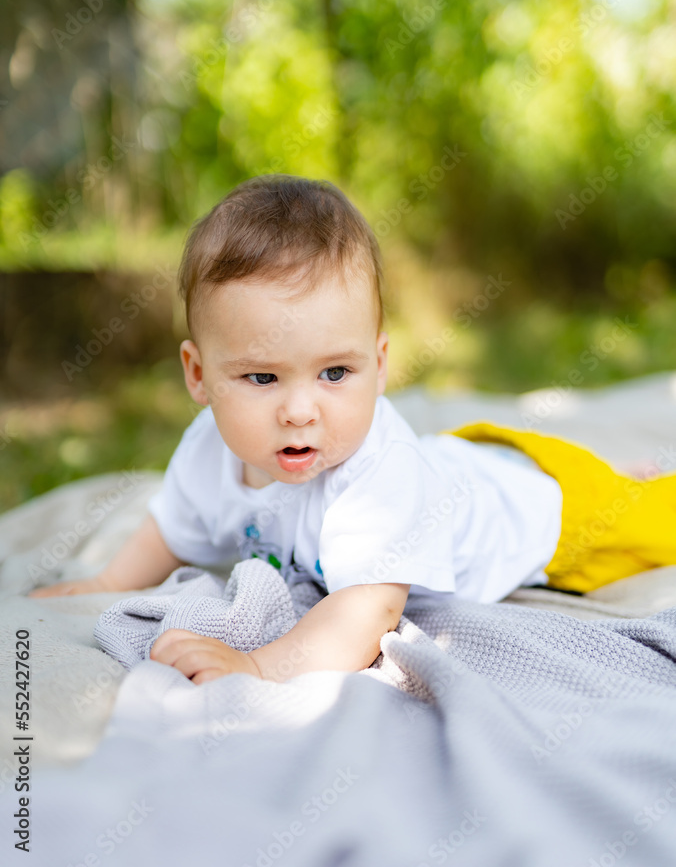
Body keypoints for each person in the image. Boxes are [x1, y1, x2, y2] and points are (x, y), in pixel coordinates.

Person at [29, 176, 676, 683]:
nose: (301, 410)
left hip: (548, 518)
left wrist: (260, 665)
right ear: (198, 376)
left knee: (653, 517)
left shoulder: (378, 480)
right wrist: (108, 583)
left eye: (335, 372)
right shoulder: (206, 450)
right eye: (261, 379)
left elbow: (368, 614)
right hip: (460, 465)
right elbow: (171, 526)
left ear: (381, 363)